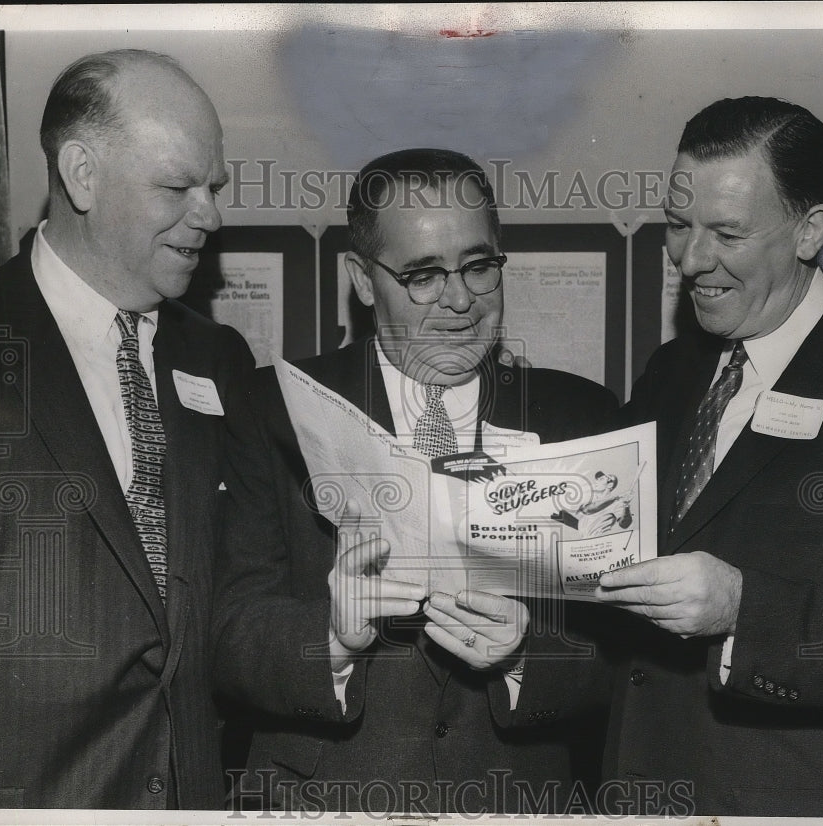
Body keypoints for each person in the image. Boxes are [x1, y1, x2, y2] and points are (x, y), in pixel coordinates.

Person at [212, 148, 620, 814]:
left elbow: (629, 662)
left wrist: (523, 658)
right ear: (363, 279)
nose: (460, 300)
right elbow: (228, 633)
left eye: (480, 266)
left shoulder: (581, 416)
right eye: (424, 275)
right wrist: (331, 637)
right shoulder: (273, 408)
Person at [596, 97, 823, 817]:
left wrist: (745, 610)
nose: (691, 260)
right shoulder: (672, 373)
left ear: (810, 232)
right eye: (679, 226)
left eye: (727, 233)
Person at [0, 49, 254, 809]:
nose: (210, 216)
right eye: (177, 187)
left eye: (213, 188)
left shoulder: (218, 357)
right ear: (82, 173)